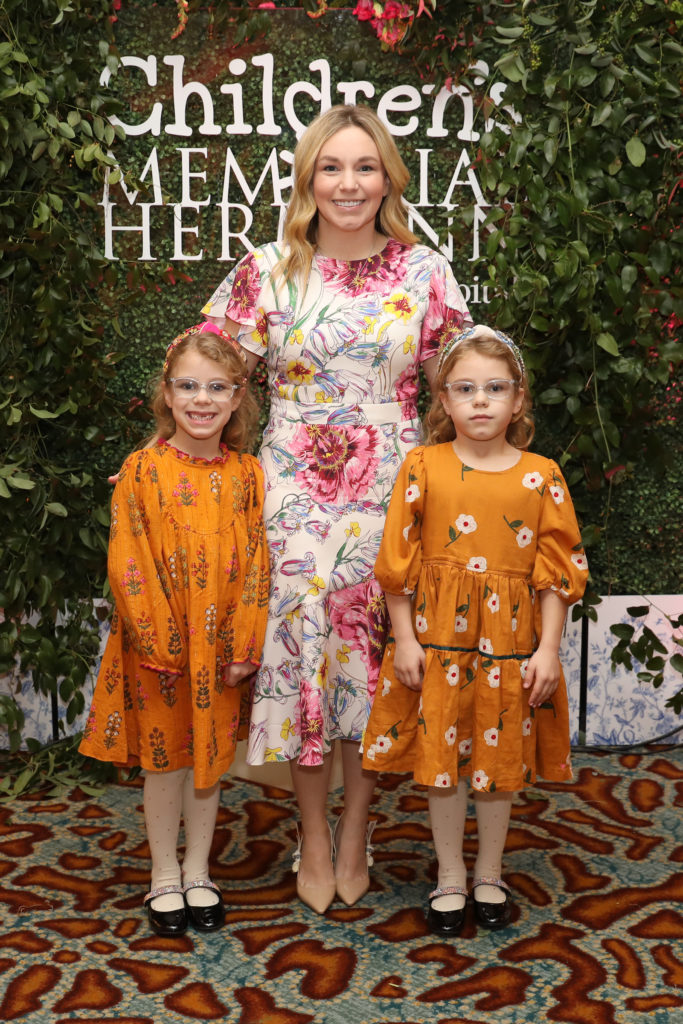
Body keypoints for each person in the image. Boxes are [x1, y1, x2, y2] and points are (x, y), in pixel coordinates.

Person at [201, 104, 472, 913]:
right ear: (306, 179)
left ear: (388, 177)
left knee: (374, 664)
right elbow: (206, 371)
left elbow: (464, 382)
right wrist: (170, 465)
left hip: (393, 486)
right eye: (331, 167)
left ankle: (356, 830)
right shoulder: (267, 270)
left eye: (364, 166)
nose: (348, 183)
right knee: (302, 662)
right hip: (290, 490)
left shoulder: (425, 270)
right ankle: (312, 837)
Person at [362, 324, 588, 935]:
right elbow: (396, 564)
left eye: (495, 388)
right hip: (438, 643)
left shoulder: (542, 475)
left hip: (511, 648)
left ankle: (488, 871)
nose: (481, 401)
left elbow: (557, 575)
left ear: (519, 399)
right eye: (465, 389)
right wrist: (404, 640)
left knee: (496, 759)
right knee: (443, 759)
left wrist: (548, 650)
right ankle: (451, 876)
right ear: (443, 400)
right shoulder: (423, 464)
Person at [80, 322, 269, 936]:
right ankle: (163, 873)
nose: (201, 399)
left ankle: (197, 870)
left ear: (238, 397)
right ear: (167, 392)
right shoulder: (142, 470)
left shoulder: (247, 475)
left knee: (210, 760)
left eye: (217, 387)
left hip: (221, 650)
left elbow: (258, 562)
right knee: (166, 763)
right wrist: (158, 642)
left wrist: (245, 642)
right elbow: (128, 558)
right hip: (157, 650)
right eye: (188, 385)